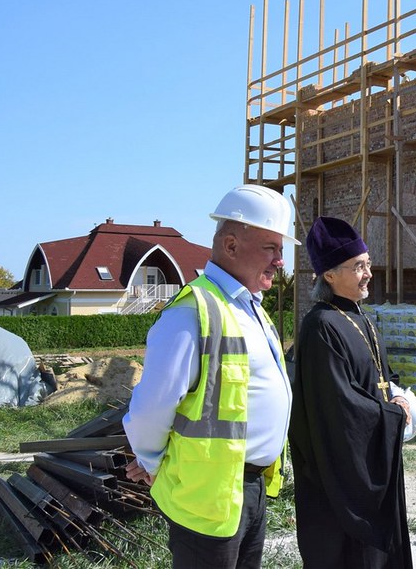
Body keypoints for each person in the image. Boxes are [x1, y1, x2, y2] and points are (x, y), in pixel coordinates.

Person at [123, 184, 297, 568]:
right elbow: (154, 404)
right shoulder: (193, 311)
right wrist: (150, 462)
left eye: (281, 250)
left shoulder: (250, 308)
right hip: (207, 497)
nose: (280, 261)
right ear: (231, 246)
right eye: (271, 248)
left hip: (248, 489)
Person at [289, 216, 416, 568]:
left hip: (371, 457)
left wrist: (399, 397)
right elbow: (338, 407)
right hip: (342, 475)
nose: (369, 273)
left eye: (368, 263)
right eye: (359, 266)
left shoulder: (360, 317)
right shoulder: (321, 326)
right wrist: (392, 416)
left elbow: (380, 376)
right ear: (329, 275)